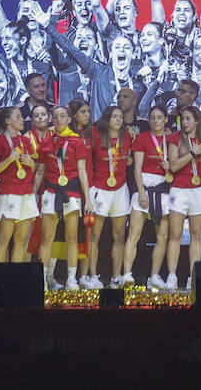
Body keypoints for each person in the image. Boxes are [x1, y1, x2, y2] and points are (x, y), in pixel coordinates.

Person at [38, 105, 89, 289]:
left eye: (62, 116)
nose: (58, 119)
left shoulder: (76, 142)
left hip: (72, 193)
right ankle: (42, 280)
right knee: (47, 238)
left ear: (69, 120)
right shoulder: (46, 142)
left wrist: (88, 199)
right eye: (55, 116)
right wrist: (34, 193)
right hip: (50, 192)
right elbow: (40, 171)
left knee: (72, 237)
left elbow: (82, 172)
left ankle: (71, 279)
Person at [165, 106, 201, 290]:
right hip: (179, 189)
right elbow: (174, 166)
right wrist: (193, 152)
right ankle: (171, 276)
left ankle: (193, 277)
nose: (184, 122)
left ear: (197, 121)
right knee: (175, 235)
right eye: (183, 119)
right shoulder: (175, 138)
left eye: (188, 119)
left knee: (197, 235)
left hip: (199, 189)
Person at [85, 105, 132, 288]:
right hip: (101, 190)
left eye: (120, 116)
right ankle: (93, 276)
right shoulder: (96, 135)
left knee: (119, 236)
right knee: (94, 236)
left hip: (120, 190)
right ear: (107, 119)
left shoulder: (127, 136)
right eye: (114, 116)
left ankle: (116, 277)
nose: (118, 120)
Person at [127, 105, 174, 288]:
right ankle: (127, 275)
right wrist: (141, 192)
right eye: (152, 118)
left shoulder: (171, 139)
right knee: (134, 233)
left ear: (166, 120)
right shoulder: (142, 138)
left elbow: (177, 165)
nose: (155, 121)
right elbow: (136, 167)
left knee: (162, 236)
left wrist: (169, 165)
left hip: (163, 189)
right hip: (144, 188)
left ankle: (154, 276)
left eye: (159, 117)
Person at [0, 106, 37, 269]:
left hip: (27, 193)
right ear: (8, 121)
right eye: (18, 116)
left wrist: (33, 164)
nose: (23, 119)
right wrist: (10, 159)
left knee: (21, 240)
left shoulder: (25, 141)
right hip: (8, 193)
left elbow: (33, 168)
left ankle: (16, 280)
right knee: (3, 240)